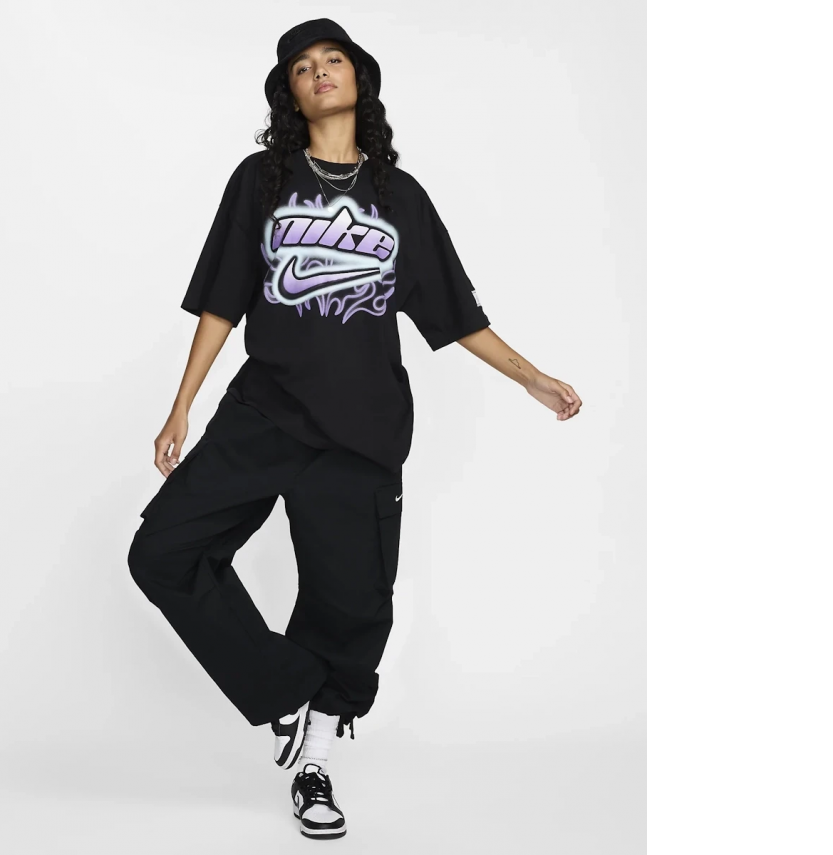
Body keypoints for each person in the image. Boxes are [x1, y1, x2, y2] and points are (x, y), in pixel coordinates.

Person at [127, 18, 583, 841]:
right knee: (162, 550)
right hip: (263, 414)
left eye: (332, 59)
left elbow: (456, 314)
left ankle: (316, 764)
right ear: (290, 93)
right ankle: (286, 688)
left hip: (363, 431)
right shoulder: (260, 181)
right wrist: (181, 404)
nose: (320, 73)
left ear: (359, 78)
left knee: (350, 605)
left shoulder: (400, 198)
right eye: (302, 67)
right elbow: (223, 299)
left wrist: (532, 376)